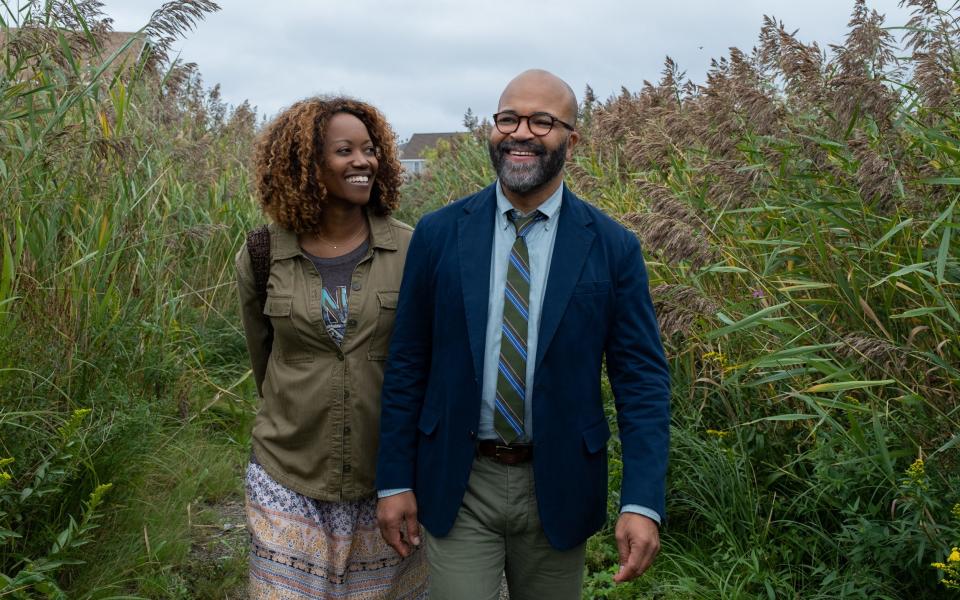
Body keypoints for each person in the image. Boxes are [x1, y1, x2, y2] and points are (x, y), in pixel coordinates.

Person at [374, 69, 671, 600]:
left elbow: (642, 383)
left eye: (542, 121)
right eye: (508, 118)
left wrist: (641, 501)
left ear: (571, 140)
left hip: (558, 481)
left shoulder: (611, 246)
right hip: (460, 479)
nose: (521, 132)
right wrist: (395, 480)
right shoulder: (440, 234)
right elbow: (407, 363)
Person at [236, 96, 428, 599]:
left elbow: (427, 364)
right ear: (307, 164)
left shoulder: (413, 250)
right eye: (345, 150)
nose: (362, 161)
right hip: (287, 471)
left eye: (369, 150)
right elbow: (265, 360)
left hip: (383, 479)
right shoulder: (262, 253)